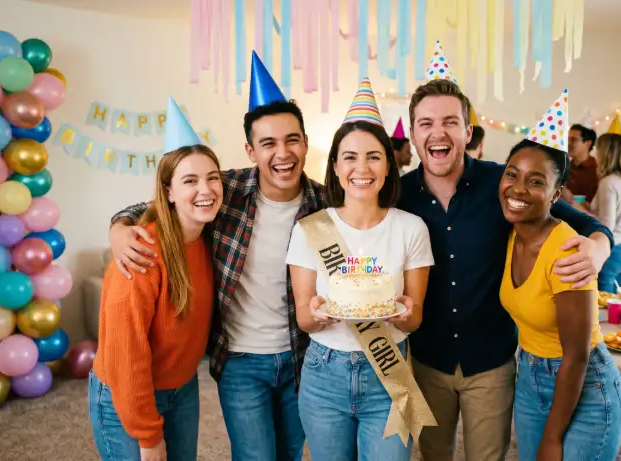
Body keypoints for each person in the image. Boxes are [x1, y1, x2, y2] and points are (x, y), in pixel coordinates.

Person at [398, 42, 614, 461]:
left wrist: (600, 248)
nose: (438, 133)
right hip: (425, 361)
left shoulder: (505, 184)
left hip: (491, 363)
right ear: (413, 133)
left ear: (468, 132)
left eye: (450, 122)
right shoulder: (398, 195)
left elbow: (587, 224)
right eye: (426, 123)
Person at [107, 52, 321, 460]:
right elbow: (157, 205)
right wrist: (119, 228)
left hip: (302, 356)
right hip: (240, 359)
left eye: (292, 139)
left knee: (291, 453)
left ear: (305, 142)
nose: (282, 153)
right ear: (251, 150)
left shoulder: (325, 206)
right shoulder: (226, 190)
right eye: (268, 143)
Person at [287, 77, 435, 460]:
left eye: (373, 156)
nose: (361, 167)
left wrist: (404, 314)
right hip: (324, 373)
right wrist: (317, 315)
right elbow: (304, 318)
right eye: (350, 157)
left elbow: (414, 319)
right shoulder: (310, 229)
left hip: (391, 372)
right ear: (336, 166)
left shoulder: (412, 228)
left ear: (388, 165)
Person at [89, 97, 223, 461]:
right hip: (127, 394)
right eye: (190, 181)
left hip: (182, 388)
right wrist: (148, 436)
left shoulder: (209, 237)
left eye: (212, 178)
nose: (206, 190)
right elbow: (126, 355)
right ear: (168, 192)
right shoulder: (141, 253)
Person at [498, 92, 621, 460]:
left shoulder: (568, 251)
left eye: (536, 182)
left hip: (586, 387)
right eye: (512, 174)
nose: (518, 188)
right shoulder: (511, 233)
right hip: (530, 375)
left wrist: (552, 438)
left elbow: (577, 356)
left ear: (556, 195)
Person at [570, 133, 621, 293]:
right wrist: (585, 205)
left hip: (611, 251)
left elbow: (606, 226)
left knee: (603, 300)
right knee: (614, 301)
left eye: (599, 151)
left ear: (606, 153)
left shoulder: (608, 183)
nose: (597, 156)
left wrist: (576, 207)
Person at [566, 123, 599, 202]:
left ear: (588, 144)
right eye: (568, 139)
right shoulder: (565, 167)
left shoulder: (597, 170)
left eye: (573, 140)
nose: (568, 143)